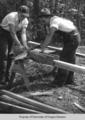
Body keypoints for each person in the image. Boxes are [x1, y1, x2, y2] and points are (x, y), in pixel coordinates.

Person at [38, 8, 81, 87]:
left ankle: (59, 82)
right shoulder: (57, 19)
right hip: (74, 37)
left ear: (47, 17)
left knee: (63, 59)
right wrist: (44, 43)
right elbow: (70, 25)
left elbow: (49, 35)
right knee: (70, 59)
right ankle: (69, 80)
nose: (42, 21)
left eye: (43, 19)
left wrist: (43, 47)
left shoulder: (54, 21)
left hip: (72, 39)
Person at [0, 5, 30, 87]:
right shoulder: (12, 16)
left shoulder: (25, 21)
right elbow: (12, 32)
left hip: (13, 35)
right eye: (22, 15)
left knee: (11, 55)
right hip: (3, 33)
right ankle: (1, 78)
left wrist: (25, 45)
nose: (24, 17)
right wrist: (19, 45)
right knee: (3, 55)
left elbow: (23, 33)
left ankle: (7, 78)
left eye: (25, 16)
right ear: (18, 12)